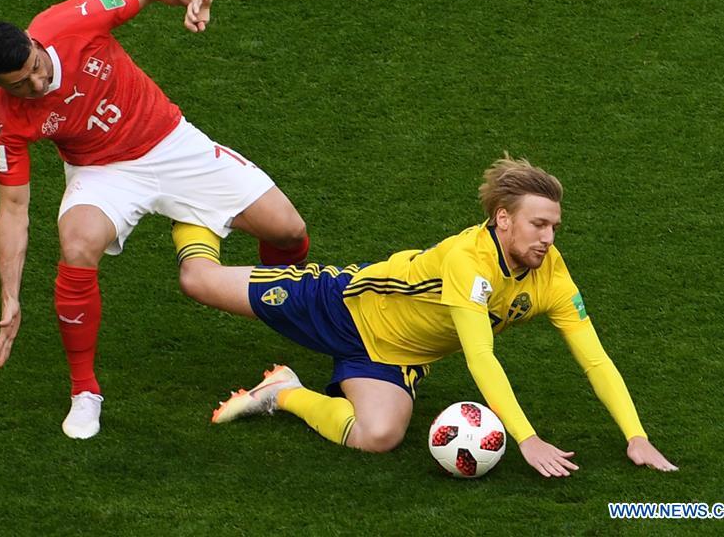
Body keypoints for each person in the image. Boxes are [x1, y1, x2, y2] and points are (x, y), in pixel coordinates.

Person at [172, 156, 677, 477]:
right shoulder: (467, 261)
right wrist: (528, 439)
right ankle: (189, 205)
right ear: (503, 218)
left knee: (379, 437)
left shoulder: (553, 277)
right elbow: (480, 357)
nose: (547, 238)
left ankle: (282, 391)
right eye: (538, 224)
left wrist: (636, 436)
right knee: (197, 280)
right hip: (341, 306)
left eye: (554, 227)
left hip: (394, 358)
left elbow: (595, 360)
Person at [0, 0, 310, 440]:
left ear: (33, 40)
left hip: (170, 142)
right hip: (102, 173)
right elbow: (12, 208)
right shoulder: (5, 117)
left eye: (36, 64)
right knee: (77, 244)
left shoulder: (74, 20)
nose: (38, 80)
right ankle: (84, 393)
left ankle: (285, 309)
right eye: (21, 82)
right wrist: (9, 294)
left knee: (289, 231)